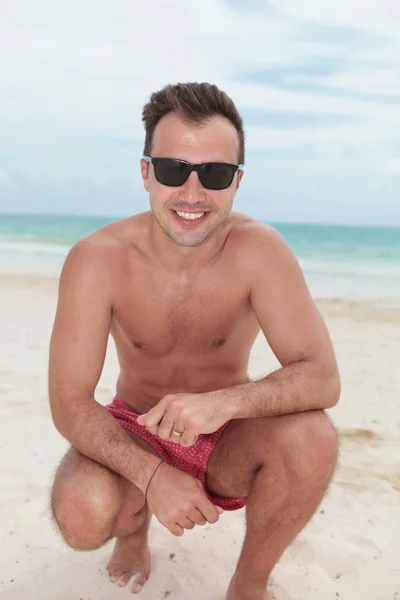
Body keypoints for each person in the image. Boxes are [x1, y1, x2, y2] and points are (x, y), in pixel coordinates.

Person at [48, 82, 340, 600]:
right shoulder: (97, 259)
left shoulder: (261, 252)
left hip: (225, 434)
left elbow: (321, 376)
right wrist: (153, 473)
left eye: (215, 173)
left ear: (236, 182)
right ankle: (134, 530)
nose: (191, 192)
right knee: (81, 514)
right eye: (171, 169)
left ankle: (248, 585)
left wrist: (223, 403)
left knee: (313, 438)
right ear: (145, 173)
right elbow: (69, 401)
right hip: (134, 427)